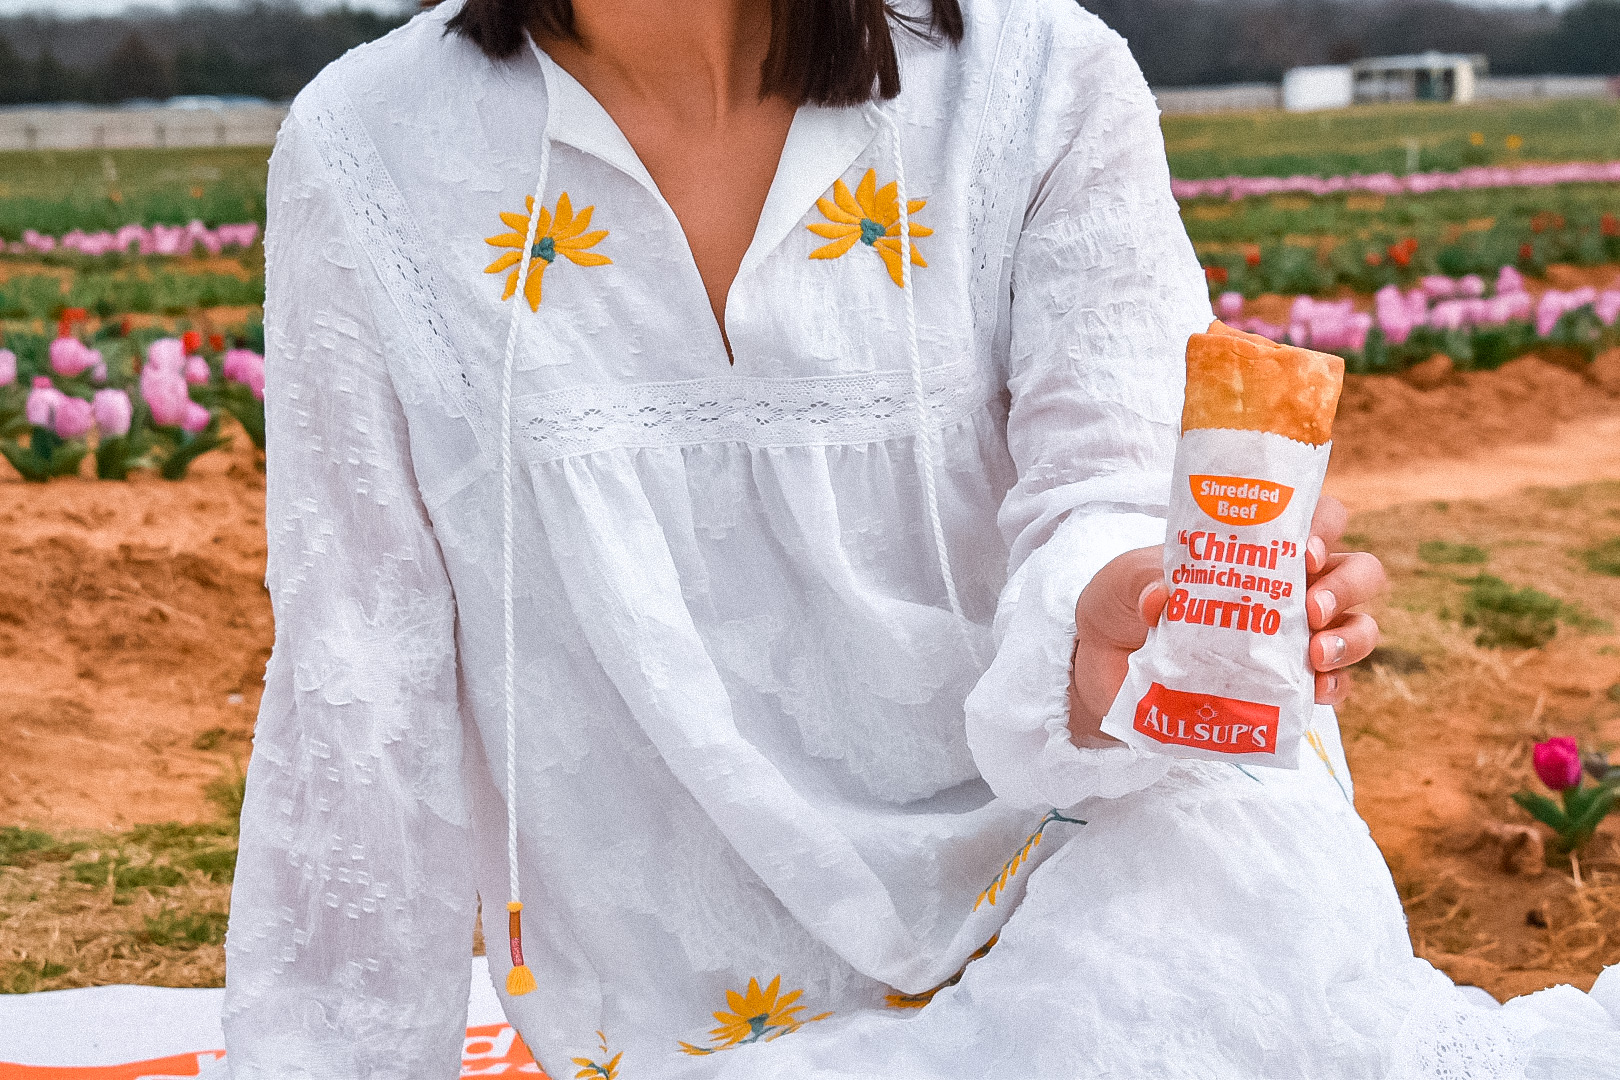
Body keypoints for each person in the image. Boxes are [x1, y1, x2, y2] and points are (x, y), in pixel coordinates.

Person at [221, 0, 1620, 1075]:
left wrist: (1128, 627)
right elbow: (358, 682)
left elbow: (1107, 498)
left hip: (1115, 897)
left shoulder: (1038, 82)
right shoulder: (373, 154)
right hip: (686, 1007)